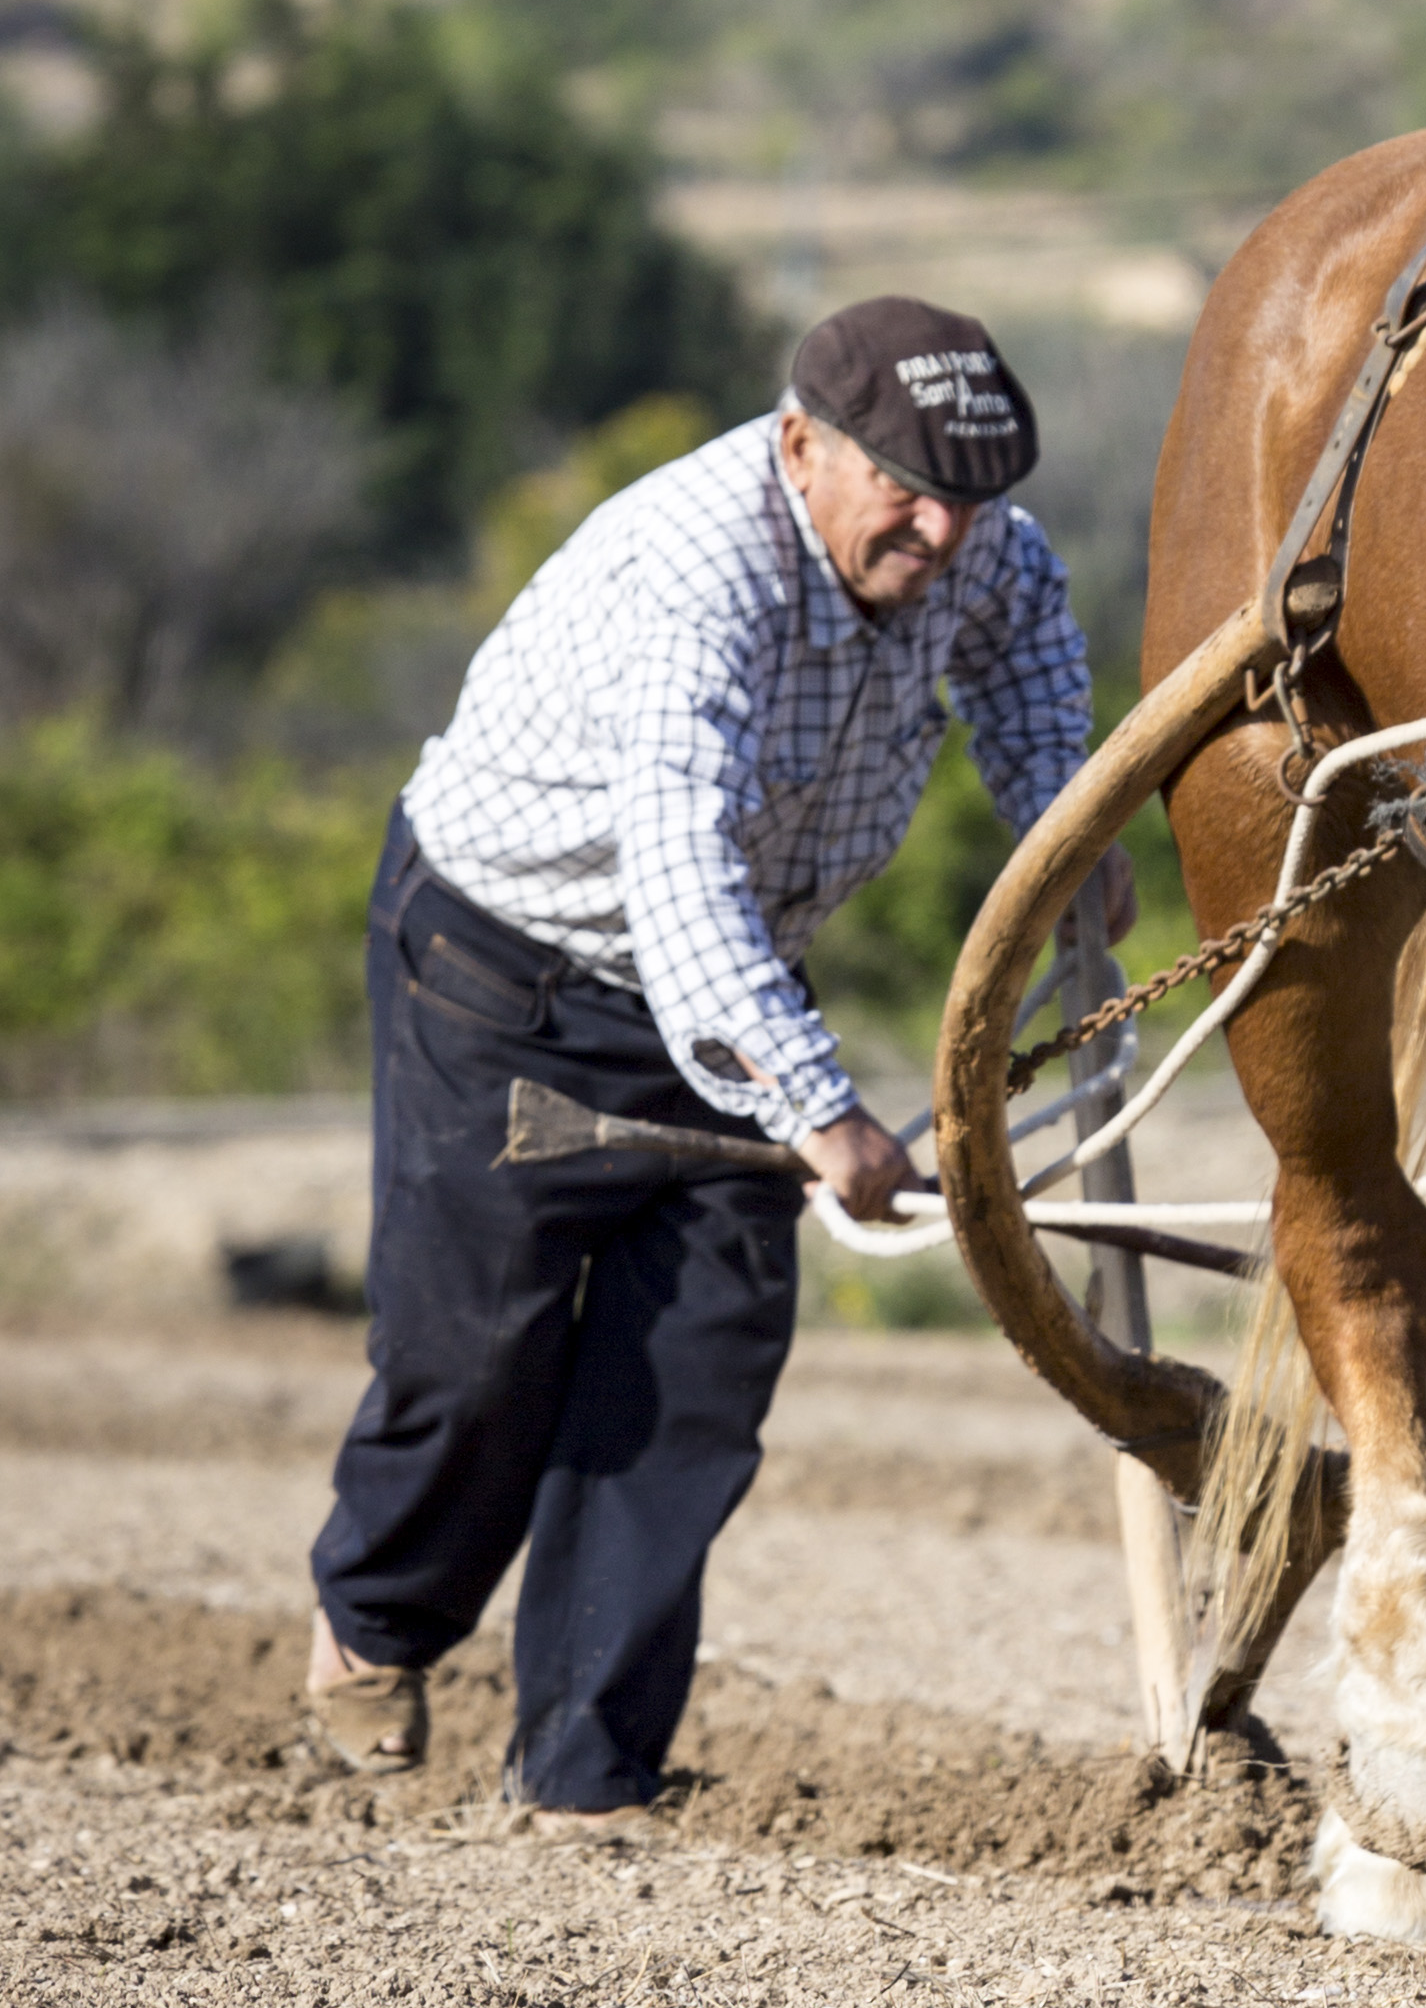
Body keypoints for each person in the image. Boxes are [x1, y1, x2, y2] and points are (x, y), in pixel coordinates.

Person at [304, 296, 1131, 1836]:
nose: (946, 529)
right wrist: (823, 1114)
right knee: (475, 1362)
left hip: (732, 977)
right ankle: (377, 1622)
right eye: (908, 489)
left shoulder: (975, 544)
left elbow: (1024, 657)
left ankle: (586, 1778)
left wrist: (1056, 831)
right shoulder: (693, 578)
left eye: (975, 495)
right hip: (504, 972)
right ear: (803, 444)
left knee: (693, 1378)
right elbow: (677, 873)